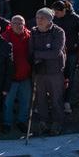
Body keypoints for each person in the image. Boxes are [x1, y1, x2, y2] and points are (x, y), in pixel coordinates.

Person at [29, 8, 67, 136]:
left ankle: (58, 123)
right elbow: (30, 52)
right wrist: (39, 56)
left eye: (42, 18)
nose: (39, 20)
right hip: (39, 71)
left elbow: (56, 52)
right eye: (38, 17)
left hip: (55, 70)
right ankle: (43, 122)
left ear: (49, 20)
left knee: (56, 98)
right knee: (40, 99)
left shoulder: (58, 32)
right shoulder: (33, 32)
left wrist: (38, 55)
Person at [2, 15, 32, 135]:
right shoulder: (5, 37)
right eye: (16, 23)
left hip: (26, 75)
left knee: (25, 101)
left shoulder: (29, 36)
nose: (19, 26)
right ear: (11, 24)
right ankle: (7, 123)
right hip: (11, 77)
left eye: (21, 23)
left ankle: (21, 121)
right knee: (8, 102)